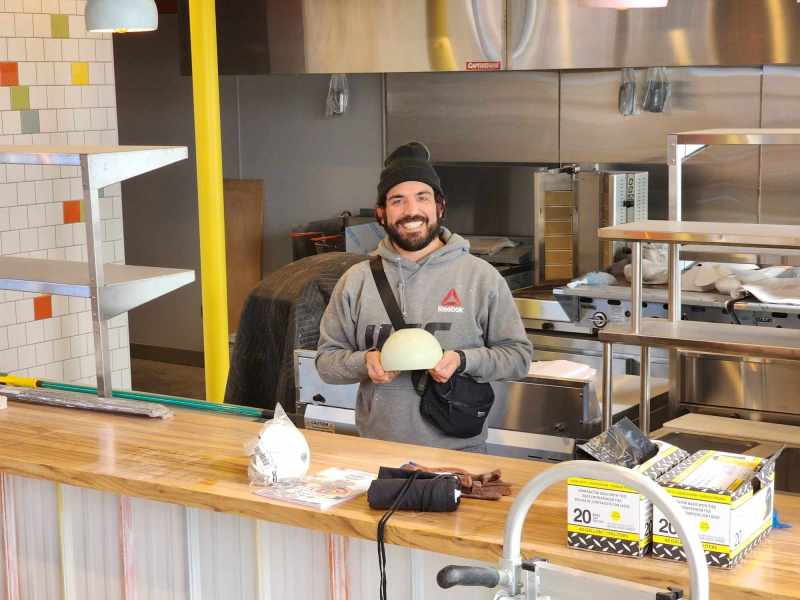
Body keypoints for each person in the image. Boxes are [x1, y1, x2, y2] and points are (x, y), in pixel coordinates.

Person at [316, 142, 532, 451]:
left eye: (422, 198)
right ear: (381, 212)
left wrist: (462, 360)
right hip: (377, 451)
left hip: (461, 455)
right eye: (397, 201)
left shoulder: (480, 277)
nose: (411, 211)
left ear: (440, 206)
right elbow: (326, 362)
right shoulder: (357, 281)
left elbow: (518, 358)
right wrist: (366, 362)